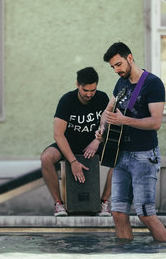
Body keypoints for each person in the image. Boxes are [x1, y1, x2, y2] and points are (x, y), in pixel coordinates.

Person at [96, 42, 166, 242]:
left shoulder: (152, 83)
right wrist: (102, 128)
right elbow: (107, 111)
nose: (116, 70)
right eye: (112, 67)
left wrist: (124, 120)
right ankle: (124, 258)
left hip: (144, 156)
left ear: (130, 57)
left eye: (118, 64)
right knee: (118, 213)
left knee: (145, 213)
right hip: (121, 155)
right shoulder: (121, 83)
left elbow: (156, 122)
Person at [40, 67, 113, 216]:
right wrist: (73, 162)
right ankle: (59, 204)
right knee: (46, 158)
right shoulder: (67, 100)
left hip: (94, 143)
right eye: (85, 90)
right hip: (69, 144)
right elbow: (58, 134)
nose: (89, 94)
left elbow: (109, 127)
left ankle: (104, 203)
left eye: (93, 90)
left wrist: (98, 140)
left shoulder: (102, 98)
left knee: (121, 157)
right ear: (77, 85)